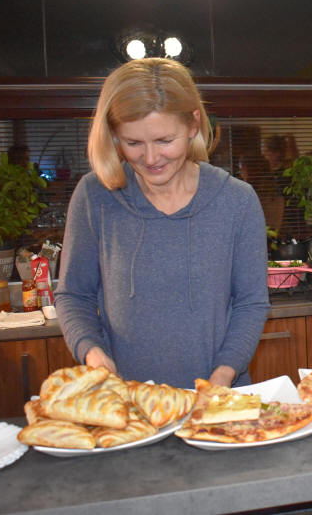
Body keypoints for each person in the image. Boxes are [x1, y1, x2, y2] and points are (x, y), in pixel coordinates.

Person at [54, 58, 270, 389]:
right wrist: (93, 355)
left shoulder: (237, 200)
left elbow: (250, 303)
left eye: (164, 141)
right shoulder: (95, 196)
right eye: (133, 143)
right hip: (126, 402)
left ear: (193, 125)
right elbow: (74, 295)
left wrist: (223, 375)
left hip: (217, 398)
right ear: (114, 136)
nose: (151, 158)